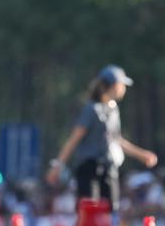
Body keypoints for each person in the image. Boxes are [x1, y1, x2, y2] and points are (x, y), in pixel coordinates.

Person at [46, 65, 158, 211]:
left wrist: (141, 154)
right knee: (89, 208)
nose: (124, 88)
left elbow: (116, 139)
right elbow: (74, 138)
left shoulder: (113, 109)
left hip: (108, 166)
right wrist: (58, 166)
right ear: (113, 85)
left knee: (111, 209)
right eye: (122, 84)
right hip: (89, 167)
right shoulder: (92, 109)